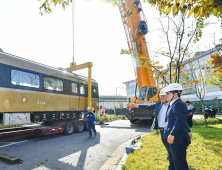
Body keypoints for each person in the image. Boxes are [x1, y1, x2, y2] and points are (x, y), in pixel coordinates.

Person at [164, 83, 191, 170]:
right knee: (174, 161)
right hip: (174, 139)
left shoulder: (178, 104)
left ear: (175, 94)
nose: (166, 96)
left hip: (177, 139)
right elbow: (181, 120)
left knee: (180, 164)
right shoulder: (174, 103)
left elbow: (180, 121)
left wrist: (172, 134)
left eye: (168, 93)